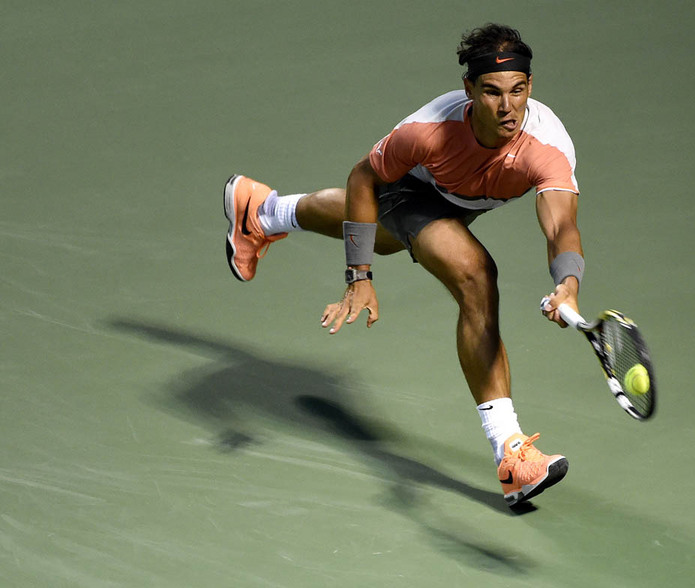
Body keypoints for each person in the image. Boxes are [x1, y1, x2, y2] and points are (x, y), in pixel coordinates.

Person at [223, 23, 584, 508]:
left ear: (530, 88)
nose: (507, 107)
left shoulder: (549, 146)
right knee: (475, 274)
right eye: (492, 93)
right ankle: (511, 454)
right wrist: (358, 275)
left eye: (518, 91)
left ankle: (263, 211)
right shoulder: (427, 134)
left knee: (391, 240)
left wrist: (568, 282)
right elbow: (363, 180)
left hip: (462, 196)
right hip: (409, 189)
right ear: (469, 90)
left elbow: (561, 226)